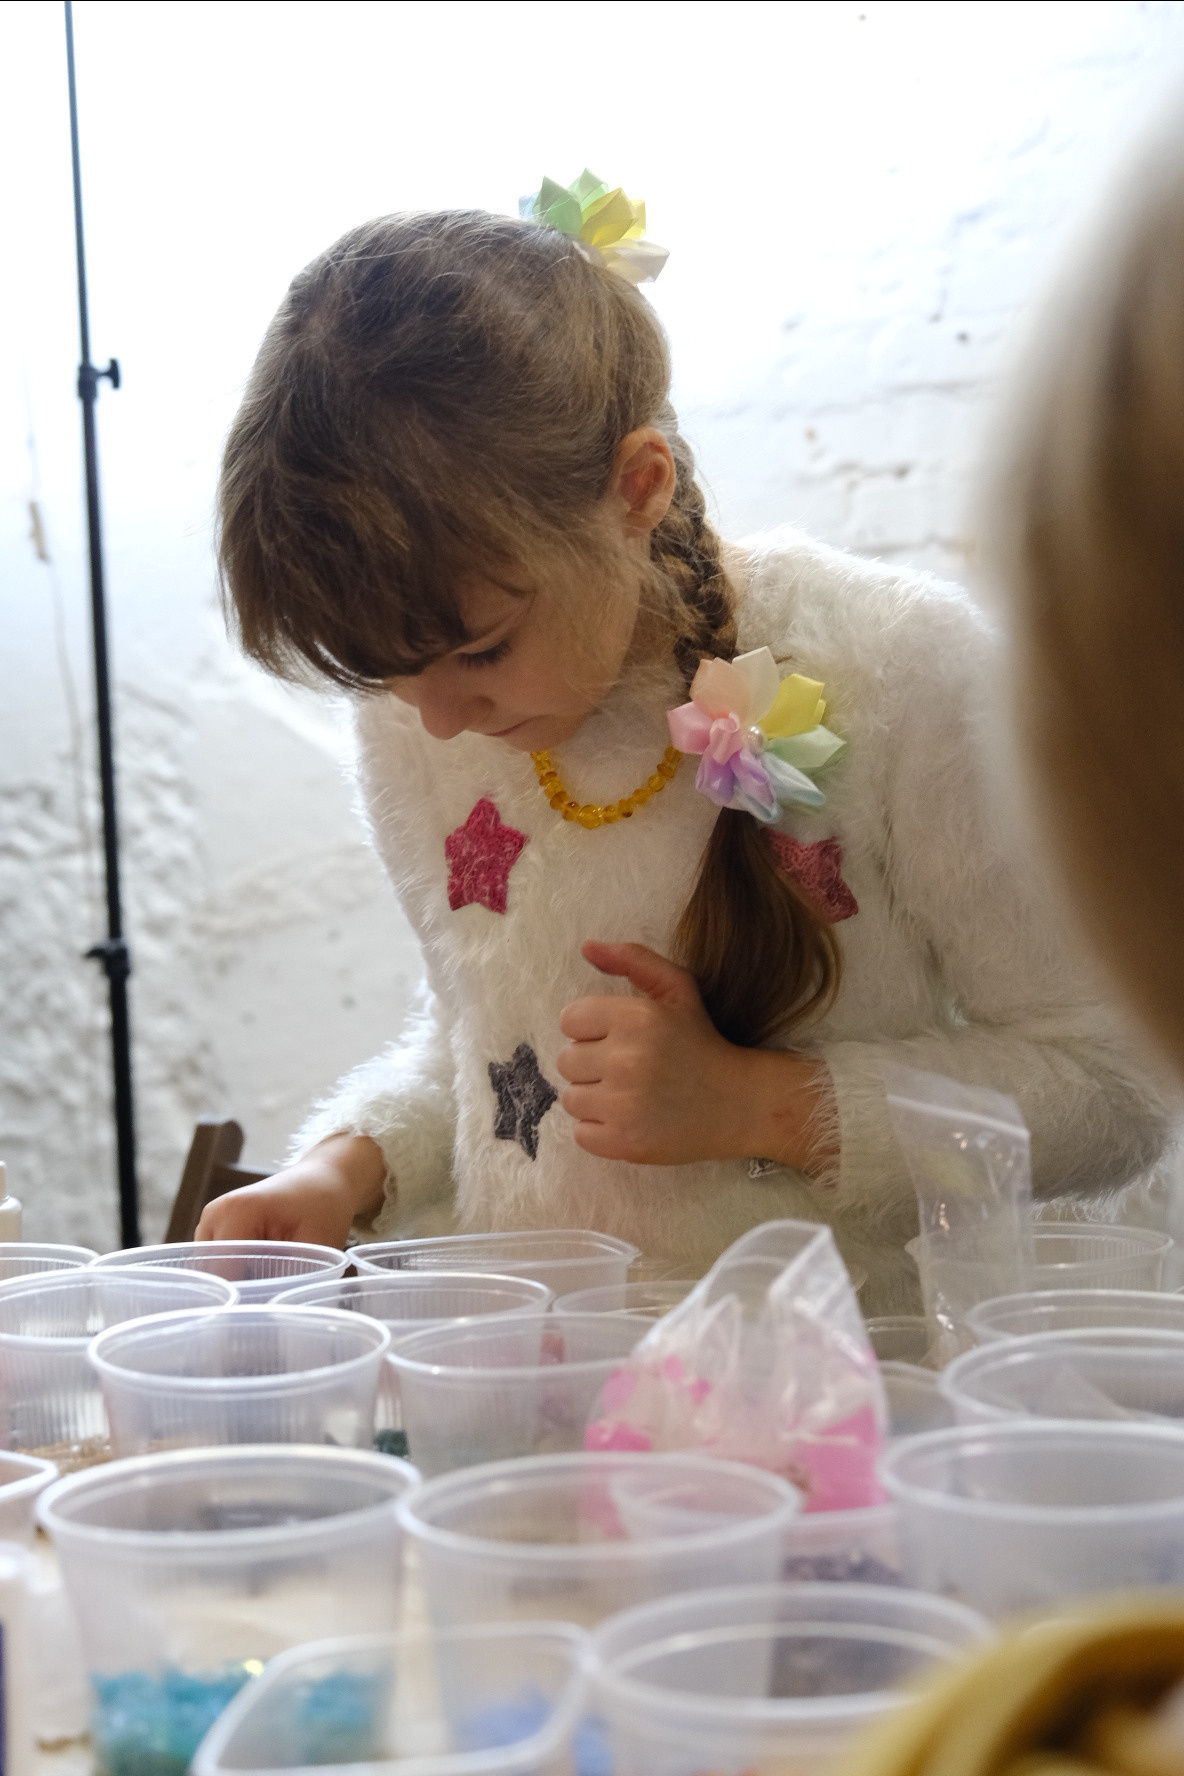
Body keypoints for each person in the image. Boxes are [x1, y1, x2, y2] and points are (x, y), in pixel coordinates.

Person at [198, 185, 1171, 1313]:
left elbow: (1116, 1091)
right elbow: (487, 1047)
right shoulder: (422, 706)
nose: (435, 722)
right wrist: (347, 1167)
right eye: (383, 674)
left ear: (636, 489)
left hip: (844, 1415)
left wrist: (758, 1107)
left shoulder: (897, 668)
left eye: (478, 651)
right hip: (536, 1401)